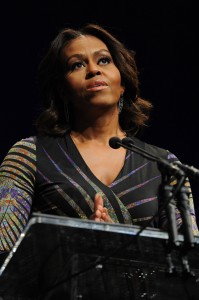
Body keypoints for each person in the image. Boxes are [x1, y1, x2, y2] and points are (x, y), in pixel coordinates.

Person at [0, 23, 198, 255]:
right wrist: (80, 243)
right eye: (77, 65)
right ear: (62, 89)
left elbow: (190, 261)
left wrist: (120, 245)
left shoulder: (164, 165)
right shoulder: (28, 155)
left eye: (103, 60)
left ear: (122, 82)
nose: (93, 70)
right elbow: (4, 254)